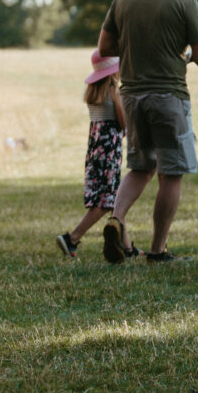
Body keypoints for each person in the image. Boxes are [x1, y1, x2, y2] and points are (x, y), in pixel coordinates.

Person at [98, 0, 198, 264]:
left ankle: (116, 220)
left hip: (131, 96)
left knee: (139, 166)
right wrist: (195, 52)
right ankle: (158, 250)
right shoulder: (185, 1)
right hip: (169, 97)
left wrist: (141, 46)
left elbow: (105, 46)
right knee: (171, 172)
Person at [55, 49, 127, 258]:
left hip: (95, 146)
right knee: (108, 201)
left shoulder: (93, 90)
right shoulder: (113, 89)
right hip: (110, 147)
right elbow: (122, 119)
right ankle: (72, 238)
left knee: (114, 198)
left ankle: (127, 247)